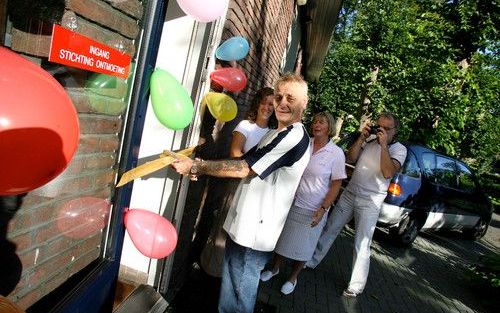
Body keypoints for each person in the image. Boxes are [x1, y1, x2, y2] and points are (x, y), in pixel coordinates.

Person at [171, 73, 311, 313]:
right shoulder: (275, 132)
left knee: (239, 300)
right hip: (243, 226)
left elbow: (245, 168)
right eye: (279, 96)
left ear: (304, 103)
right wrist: (201, 163)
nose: (282, 102)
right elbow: (244, 160)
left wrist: (196, 166)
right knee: (230, 292)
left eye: (290, 97)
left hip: (256, 234)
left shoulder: (293, 136)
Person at [305, 112, 407, 298]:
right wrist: (361, 137)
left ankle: (355, 286)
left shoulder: (399, 149)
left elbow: (387, 172)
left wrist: (384, 145)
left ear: (395, 131)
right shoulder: (370, 140)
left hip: (371, 200)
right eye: (379, 126)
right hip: (351, 193)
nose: (381, 131)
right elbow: (350, 158)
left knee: (362, 242)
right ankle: (311, 261)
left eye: (386, 128)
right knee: (330, 228)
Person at [259, 111, 346, 295]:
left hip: (314, 208)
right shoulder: (306, 143)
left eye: (321, 122)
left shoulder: (336, 153)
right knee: (283, 240)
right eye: (315, 121)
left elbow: (336, 185)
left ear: (329, 127)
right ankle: (274, 269)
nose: (316, 125)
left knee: (304, 248)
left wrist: (323, 208)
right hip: (293, 201)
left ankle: (293, 278)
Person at [200, 87, 276, 277]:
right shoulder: (245, 126)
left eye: (271, 104)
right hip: (237, 186)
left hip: (256, 192)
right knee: (223, 228)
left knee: (241, 233)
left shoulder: (274, 133)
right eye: (264, 102)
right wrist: (255, 169)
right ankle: (211, 270)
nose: (267, 107)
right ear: (257, 102)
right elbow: (235, 154)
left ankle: (229, 273)